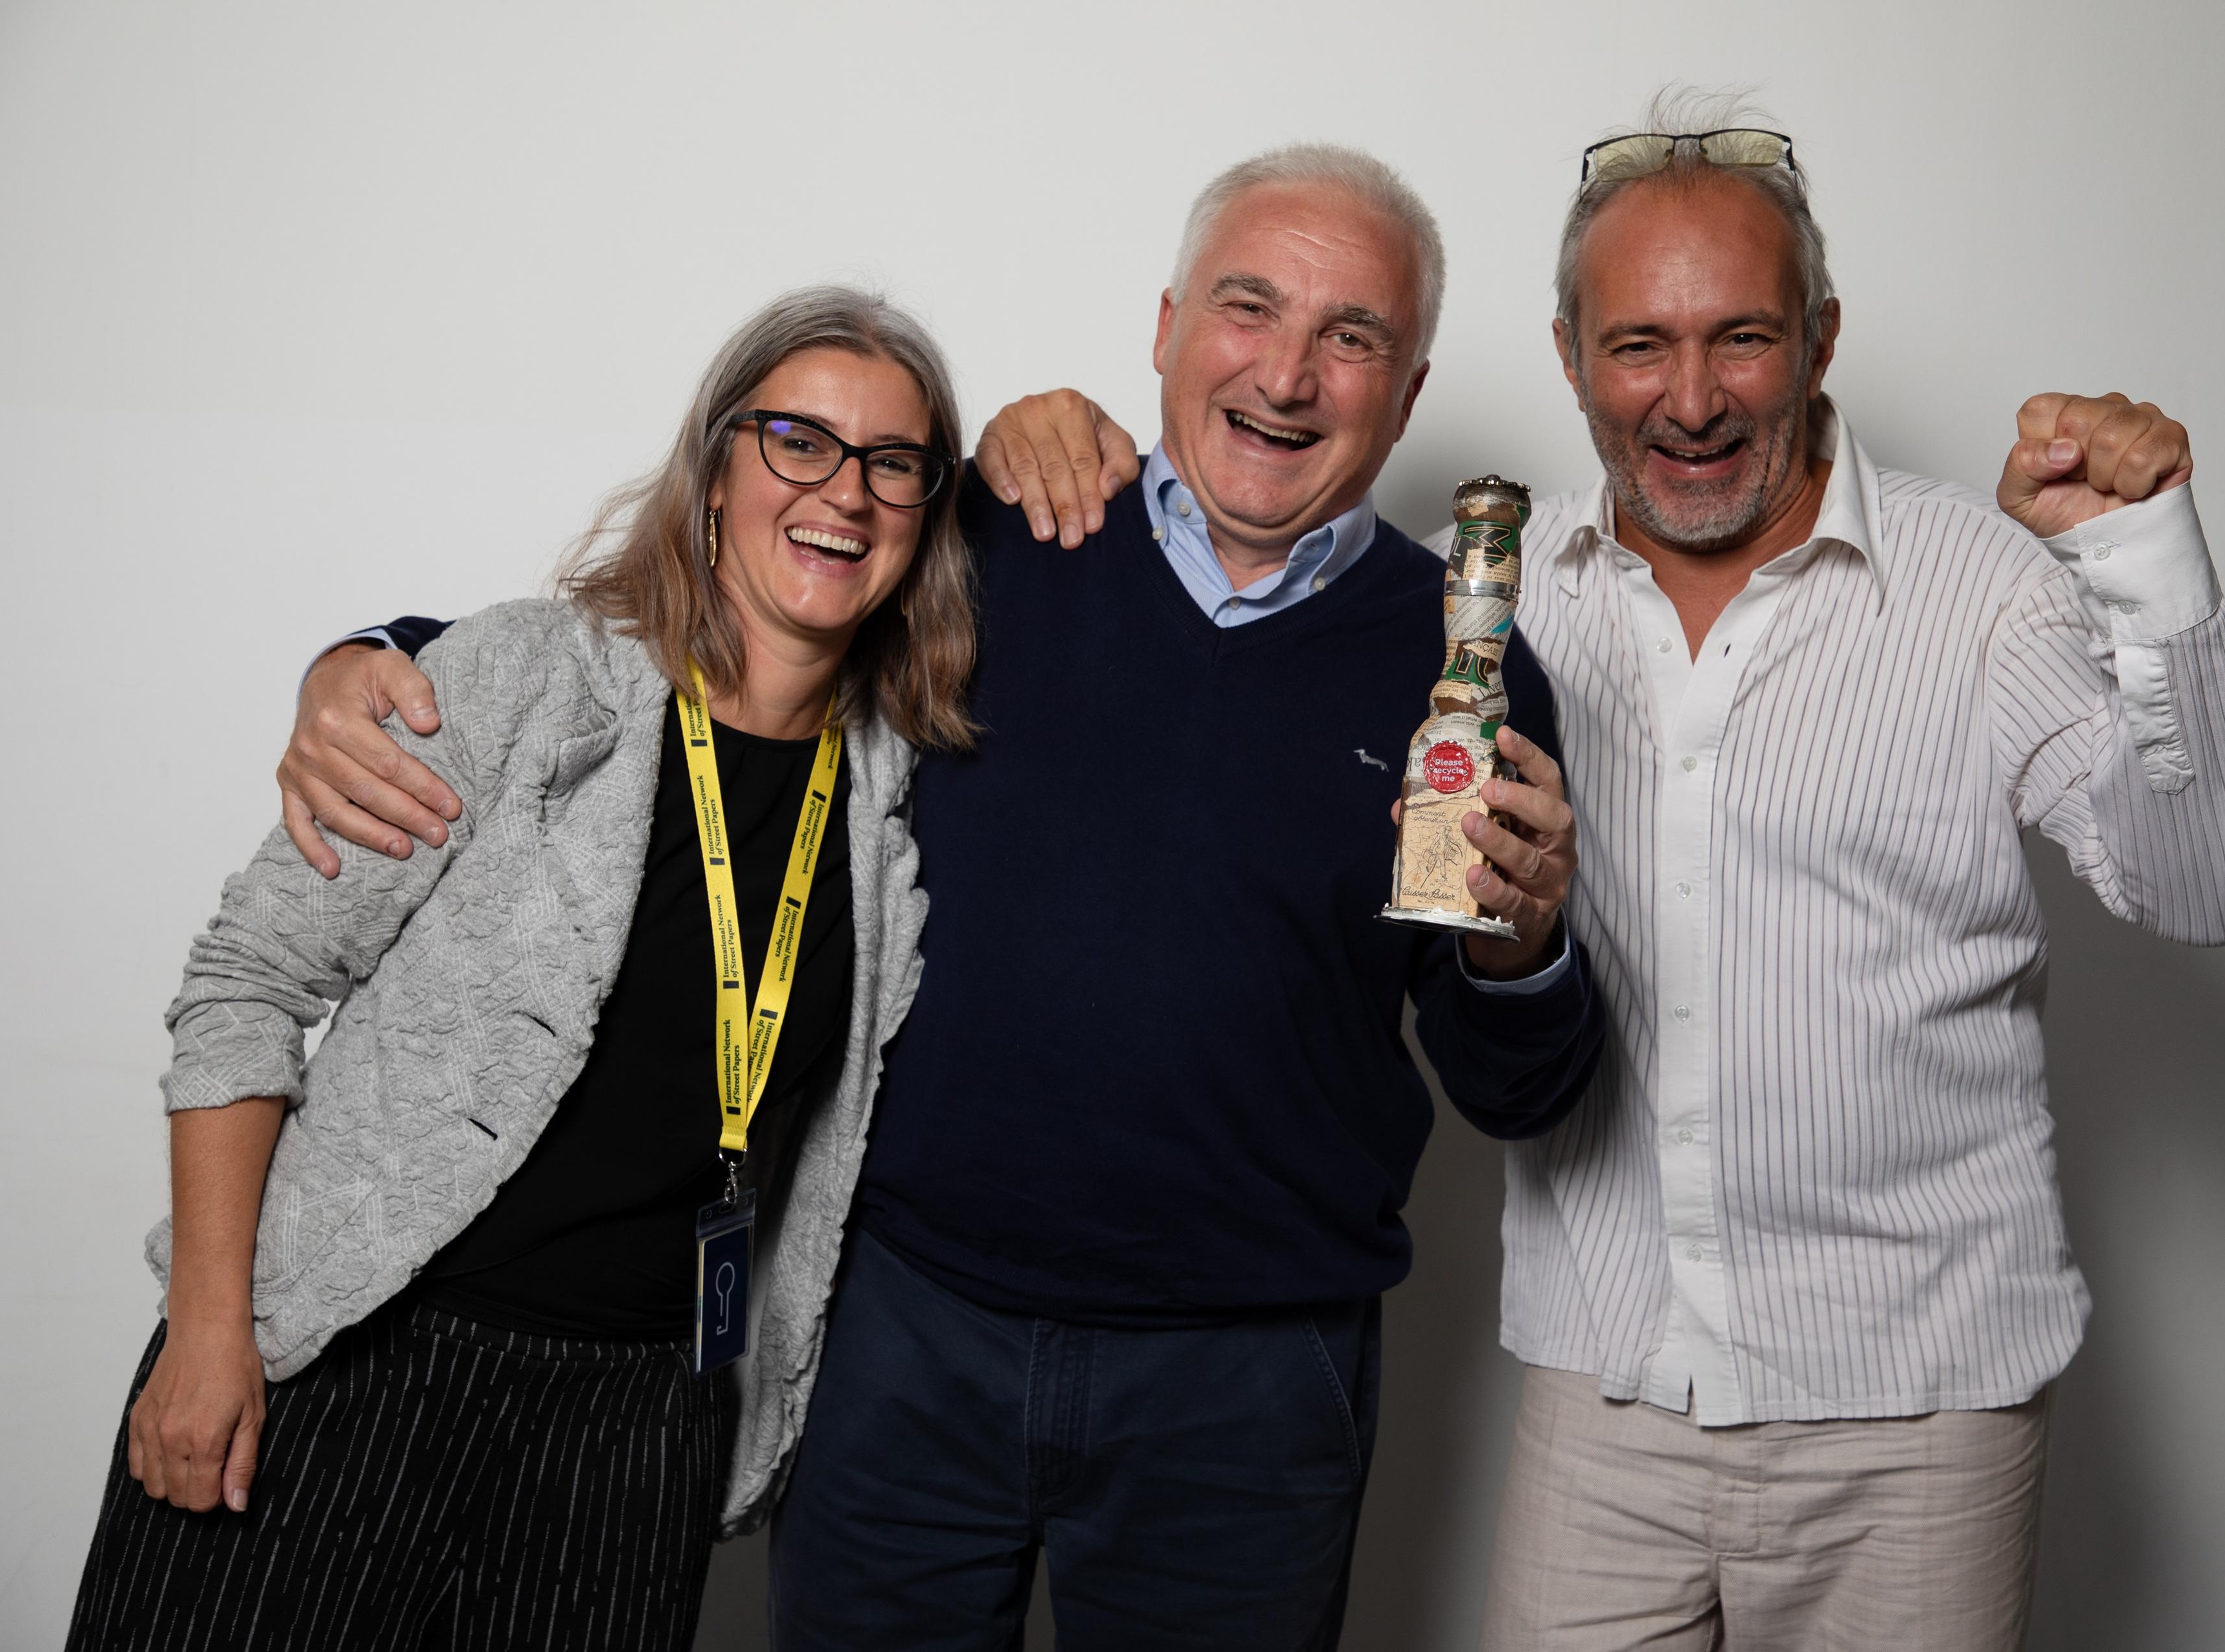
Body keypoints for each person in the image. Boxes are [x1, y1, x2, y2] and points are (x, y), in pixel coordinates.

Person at [281, 144, 1604, 1650]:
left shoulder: (1465, 673)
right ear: (1166, 323)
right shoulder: (991, 542)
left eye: (1351, 337)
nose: (1288, 374)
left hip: (1246, 1383)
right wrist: (378, 657)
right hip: (904, 1329)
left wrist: (1525, 945)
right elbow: (704, 646)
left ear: (1410, 391)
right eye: (1250, 308)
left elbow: (1527, 1094)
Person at [1448, 94, 2225, 1649]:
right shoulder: (1497, 606)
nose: (1690, 399)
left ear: (1822, 338)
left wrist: (2149, 567)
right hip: (1606, 1385)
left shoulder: (1977, 586)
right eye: (1638, 344)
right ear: (1569, 356)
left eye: (1742, 338)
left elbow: (2201, 885)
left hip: (1917, 1418)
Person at [66, 286, 980, 1651]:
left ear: (923, 510)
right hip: (346, 1359)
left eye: (890, 460)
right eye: (798, 440)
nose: (842, 491)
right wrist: (210, 1328)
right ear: (719, 463)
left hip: (627, 1433)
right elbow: (248, 982)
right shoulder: (522, 683)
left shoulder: (889, 803)